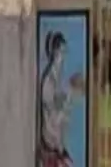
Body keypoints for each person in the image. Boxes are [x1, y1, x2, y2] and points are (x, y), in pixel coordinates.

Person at [38, 31, 81, 167]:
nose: (63, 58)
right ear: (55, 53)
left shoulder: (56, 81)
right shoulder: (48, 83)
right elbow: (53, 121)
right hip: (50, 150)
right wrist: (69, 96)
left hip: (57, 149)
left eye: (64, 53)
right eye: (62, 53)